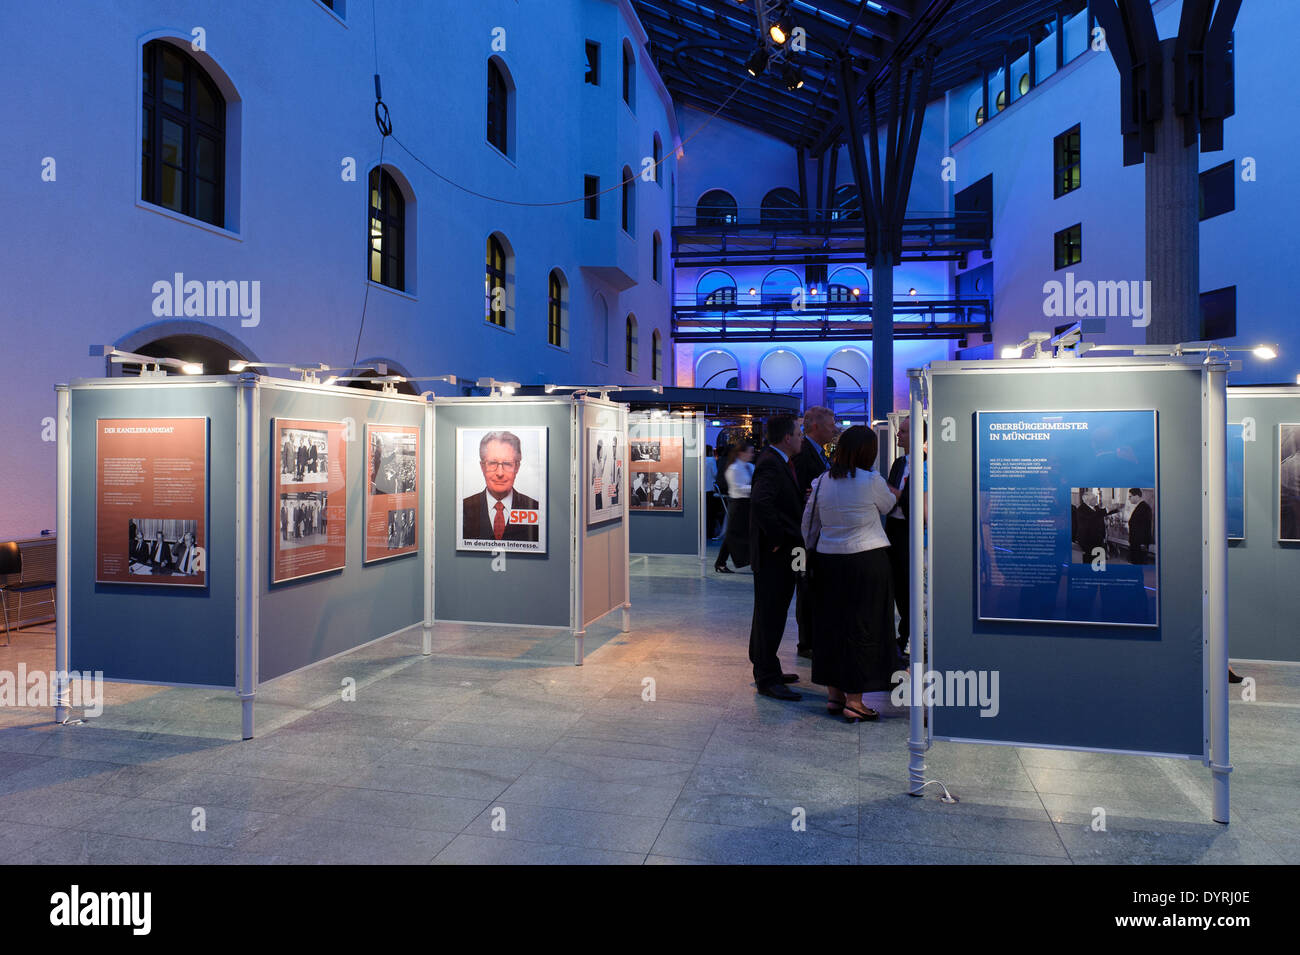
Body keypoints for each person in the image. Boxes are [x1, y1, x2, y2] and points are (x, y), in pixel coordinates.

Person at [801, 425, 901, 722]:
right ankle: (855, 701)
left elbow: (809, 525)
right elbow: (890, 505)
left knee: (831, 626)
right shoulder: (872, 480)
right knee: (864, 627)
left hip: (829, 561)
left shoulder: (821, 482)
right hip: (867, 560)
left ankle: (835, 695)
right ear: (868, 452)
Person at [747, 416, 805, 701]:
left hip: (781, 553)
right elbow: (760, 502)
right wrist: (778, 538)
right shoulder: (771, 462)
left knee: (771, 613)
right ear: (787, 438)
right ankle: (767, 677)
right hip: (775, 555)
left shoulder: (777, 460)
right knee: (771, 613)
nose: (802, 437)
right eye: (799, 432)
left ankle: (767, 666)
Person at [792, 406, 839, 659]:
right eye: (831, 424)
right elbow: (798, 491)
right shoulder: (803, 454)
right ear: (816, 426)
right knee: (805, 584)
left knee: (812, 584)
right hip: (803, 538)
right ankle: (806, 641)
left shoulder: (820, 453)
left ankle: (812, 637)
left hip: (817, 535)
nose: (834, 429)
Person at [461, 430, 541, 542]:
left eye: (507, 464)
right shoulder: (463, 509)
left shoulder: (535, 508)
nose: (500, 473)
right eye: (493, 463)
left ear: (517, 467)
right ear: (482, 467)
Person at [885, 417, 918, 656]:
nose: (899, 436)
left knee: (910, 586)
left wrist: (898, 496)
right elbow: (890, 492)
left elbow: (919, 500)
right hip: (894, 532)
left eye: (904, 432)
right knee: (897, 585)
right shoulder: (898, 463)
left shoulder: (927, 465)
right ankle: (903, 633)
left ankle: (910, 635)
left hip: (913, 532)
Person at [717, 442, 754, 573]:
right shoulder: (733, 469)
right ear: (741, 453)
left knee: (745, 533)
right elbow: (737, 488)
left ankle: (750, 560)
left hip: (747, 504)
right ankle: (720, 563)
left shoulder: (749, 466)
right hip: (738, 504)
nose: (752, 454)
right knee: (732, 534)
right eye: (750, 451)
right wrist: (754, 488)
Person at [1126, 488, 1153, 563]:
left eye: (1130, 496)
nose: (1128, 499)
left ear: (1137, 496)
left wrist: (1144, 543)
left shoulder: (1145, 508)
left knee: (1140, 563)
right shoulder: (1139, 506)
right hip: (1136, 543)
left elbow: (1146, 527)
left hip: (1140, 544)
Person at [591, 439, 606, 512]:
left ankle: (599, 509)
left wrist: (605, 462)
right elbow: (593, 473)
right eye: (602, 449)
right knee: (598, 496)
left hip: (599, 481)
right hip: (597, 482)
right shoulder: (595, 459)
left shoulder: (601, 461)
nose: (602, 452)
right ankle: (598, 509)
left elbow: (601, 473)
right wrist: (592, 481)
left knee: (599, 496)